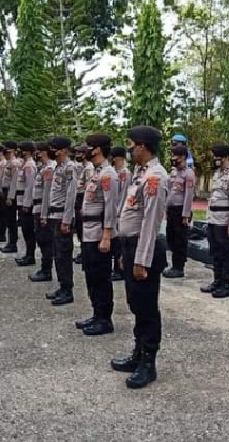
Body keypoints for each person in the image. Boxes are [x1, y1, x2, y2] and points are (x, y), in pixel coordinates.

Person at [110, 126, 169, 389]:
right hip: (131, 247)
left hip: (144, 249)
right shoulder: (140, 174)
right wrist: (126, 253)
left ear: (143, 146)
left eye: (132, 145)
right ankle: (138, 354)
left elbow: (150, 222)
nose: (129, 149)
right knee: (136, 304)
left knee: (147, 308)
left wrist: (141, 260)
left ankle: (148, 363)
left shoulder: (155, 177)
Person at [75, 134, 119, 336]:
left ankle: (105, 320)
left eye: (89, 146)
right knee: (91, 276)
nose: (85, 150)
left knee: (101, 278)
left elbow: (110, 206)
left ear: (98, 149)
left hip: (100, 234)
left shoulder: (108, 174)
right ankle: (96, 314)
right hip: (89, 233)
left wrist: (107, 235)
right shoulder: (96, 172)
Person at [201, 142, 229, 298]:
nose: (215, 160)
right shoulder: (217, 173)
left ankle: (226, 285)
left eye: (218, 157)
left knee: (226, 253)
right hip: (213, 219)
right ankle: (217, 281)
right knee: (215, 252)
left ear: (226, 157)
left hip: (224, 220)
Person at [42, 136, 78, 305]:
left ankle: (67, 290)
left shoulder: (70, 168)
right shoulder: (58, 167)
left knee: (63, 255)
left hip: (62, 217)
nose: (51, 150)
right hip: (54, 215)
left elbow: (71, 195)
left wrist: (67, 220)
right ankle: (62, 286)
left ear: (63, 150)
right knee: (58, 254)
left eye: (53, 148)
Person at [163, 145, 196, 278]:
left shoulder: (188, 173)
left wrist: (186, 215)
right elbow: (169, 191)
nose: (173, 158)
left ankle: (178, 267)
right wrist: (165, 208)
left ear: (182, 157)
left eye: (176, 156)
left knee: (180, 240)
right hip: (171, 209)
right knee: (170, 237)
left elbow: (189, 195)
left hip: (181, 210)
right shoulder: (173, 172)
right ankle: (175, 263)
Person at [30, 141, 56, 282]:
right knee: (41, 239)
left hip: (42, 209)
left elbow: (47, 193)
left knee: (45, 241)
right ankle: (44, 268)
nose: (36, 154)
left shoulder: (49, 168)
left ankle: (46, 270)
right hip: (38, 208)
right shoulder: (43, 168)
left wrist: (44, 214)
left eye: (38, 151)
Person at [110, 146, 131, 281]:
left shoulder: (124, 173)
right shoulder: (116, 172)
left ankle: (119, 270)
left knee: (119, 244)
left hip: (120, 213)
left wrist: (118, 212)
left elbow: (123, 194)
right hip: (115, 211)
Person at [15, 141, 37, 266]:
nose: (19, 152)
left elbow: (30, 186)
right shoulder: (24, 164)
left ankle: (30, 256)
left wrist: (27, 204)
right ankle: (28, 254)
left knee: (28, 230)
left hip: (26, 203)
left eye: (21, 150)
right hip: (21, 201)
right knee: (25, 230)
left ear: (27, 151)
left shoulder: (29, 166)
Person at [73, 145, 94, 264]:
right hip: (79, 197)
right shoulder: (83, 167)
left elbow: (88, 187)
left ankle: (85, 253)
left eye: (80, 153)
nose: (77, 155)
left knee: (82, 228)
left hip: (83, 198)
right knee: (79, 228)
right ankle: (83, 252)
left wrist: (84, 205)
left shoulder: (89, 168)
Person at [0, 141, 20, 253]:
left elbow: (14, 181)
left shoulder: (15, 163)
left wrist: (10, 196)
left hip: (10, 193)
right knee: (7, 218)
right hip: (5, 191)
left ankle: (13, 244)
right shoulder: (7, 162)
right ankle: (9, 242)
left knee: (11, 220)